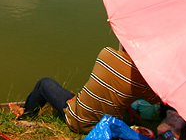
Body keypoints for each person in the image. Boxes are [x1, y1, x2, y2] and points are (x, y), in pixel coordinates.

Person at [10, 46, 159, 134]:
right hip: (107, 129)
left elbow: (110, 80)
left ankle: (27, 115)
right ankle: (25, 112)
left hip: (78, 119)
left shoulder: (106, 53)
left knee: (44, 84)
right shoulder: (143, 80)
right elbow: (157, 100)